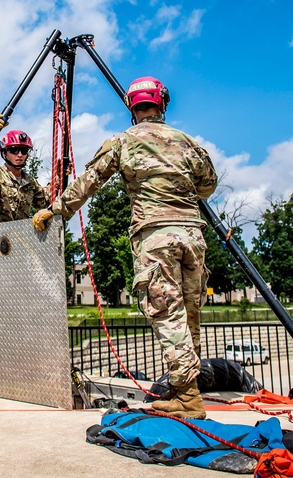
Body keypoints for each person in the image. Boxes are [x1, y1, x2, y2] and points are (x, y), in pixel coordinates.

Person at [31, 77, 217, 418]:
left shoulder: (123, 141)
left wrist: (54, 209)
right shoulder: (187, 142)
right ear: (162, 103)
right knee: (189, 315)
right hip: (193, 235)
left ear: (132, 107)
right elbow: (208, 185)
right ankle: (184, 391)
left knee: (166, 314)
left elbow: (89, 182)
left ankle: (188, 399)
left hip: (155, 236)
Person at [0, 114, 50, 224]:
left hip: (20, 237)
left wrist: (58, 179)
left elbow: (45, 202)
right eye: (14, 150)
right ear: (4, 153)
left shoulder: (29, 182)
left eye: (24, 151)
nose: (19, 155)